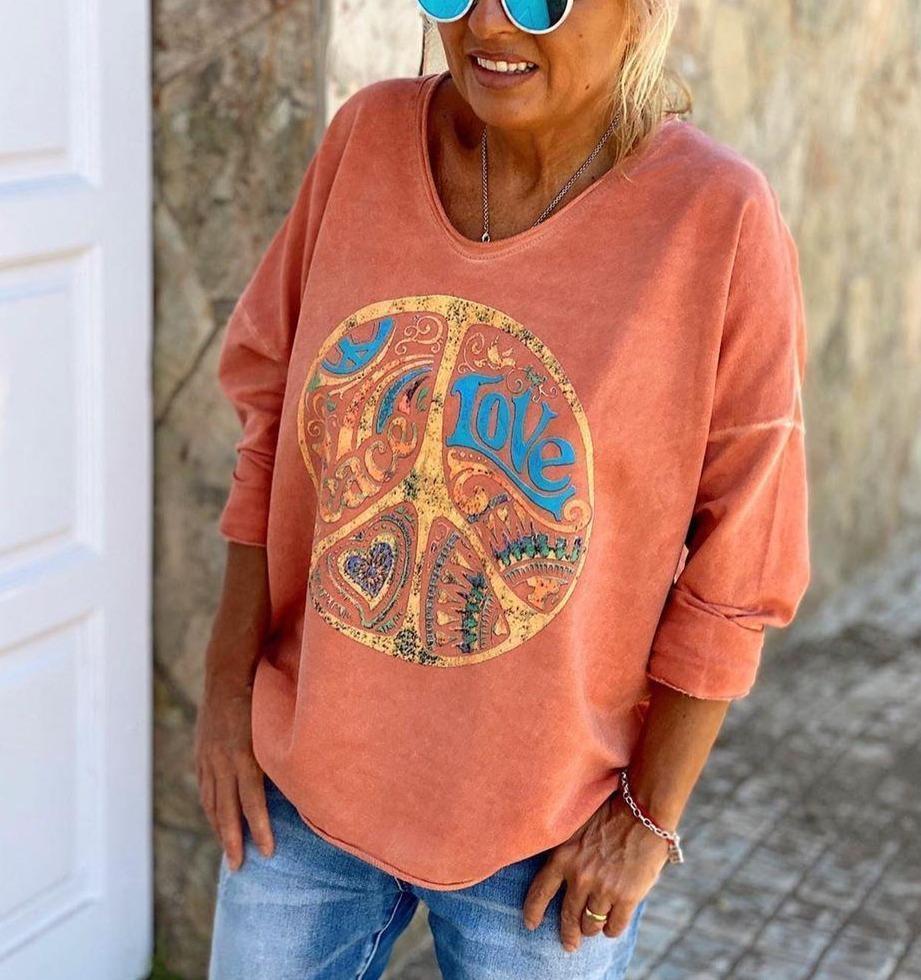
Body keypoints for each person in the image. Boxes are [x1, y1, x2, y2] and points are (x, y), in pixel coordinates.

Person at [196, 0, 811, 975]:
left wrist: (649, 817)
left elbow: (747, 557)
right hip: (306, 791)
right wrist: (227, 688)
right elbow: (274, 415)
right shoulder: (366, 140)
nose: (485, 23)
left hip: (543, 845)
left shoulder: (715, 222)